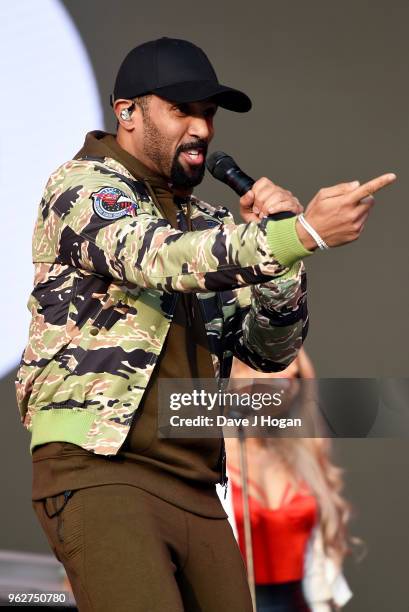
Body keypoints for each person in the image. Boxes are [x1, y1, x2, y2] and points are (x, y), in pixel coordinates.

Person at [15, 37, 394, 611]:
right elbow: (159, 258)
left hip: (193, 476)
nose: (201, 129)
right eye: (182, 110)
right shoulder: (83, 187)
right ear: (128, 113)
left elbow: (271, 350)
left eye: (208, 115)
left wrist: (283, 256)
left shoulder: (211, 222)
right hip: (100, 462)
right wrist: (303, 235)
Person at [224, 352, 355, 612]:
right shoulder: (209, 457)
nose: (289, 383)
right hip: (232, 601)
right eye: (279, 371)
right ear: (239, 372)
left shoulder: (302, 456)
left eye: (296, 376)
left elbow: (320, 560)